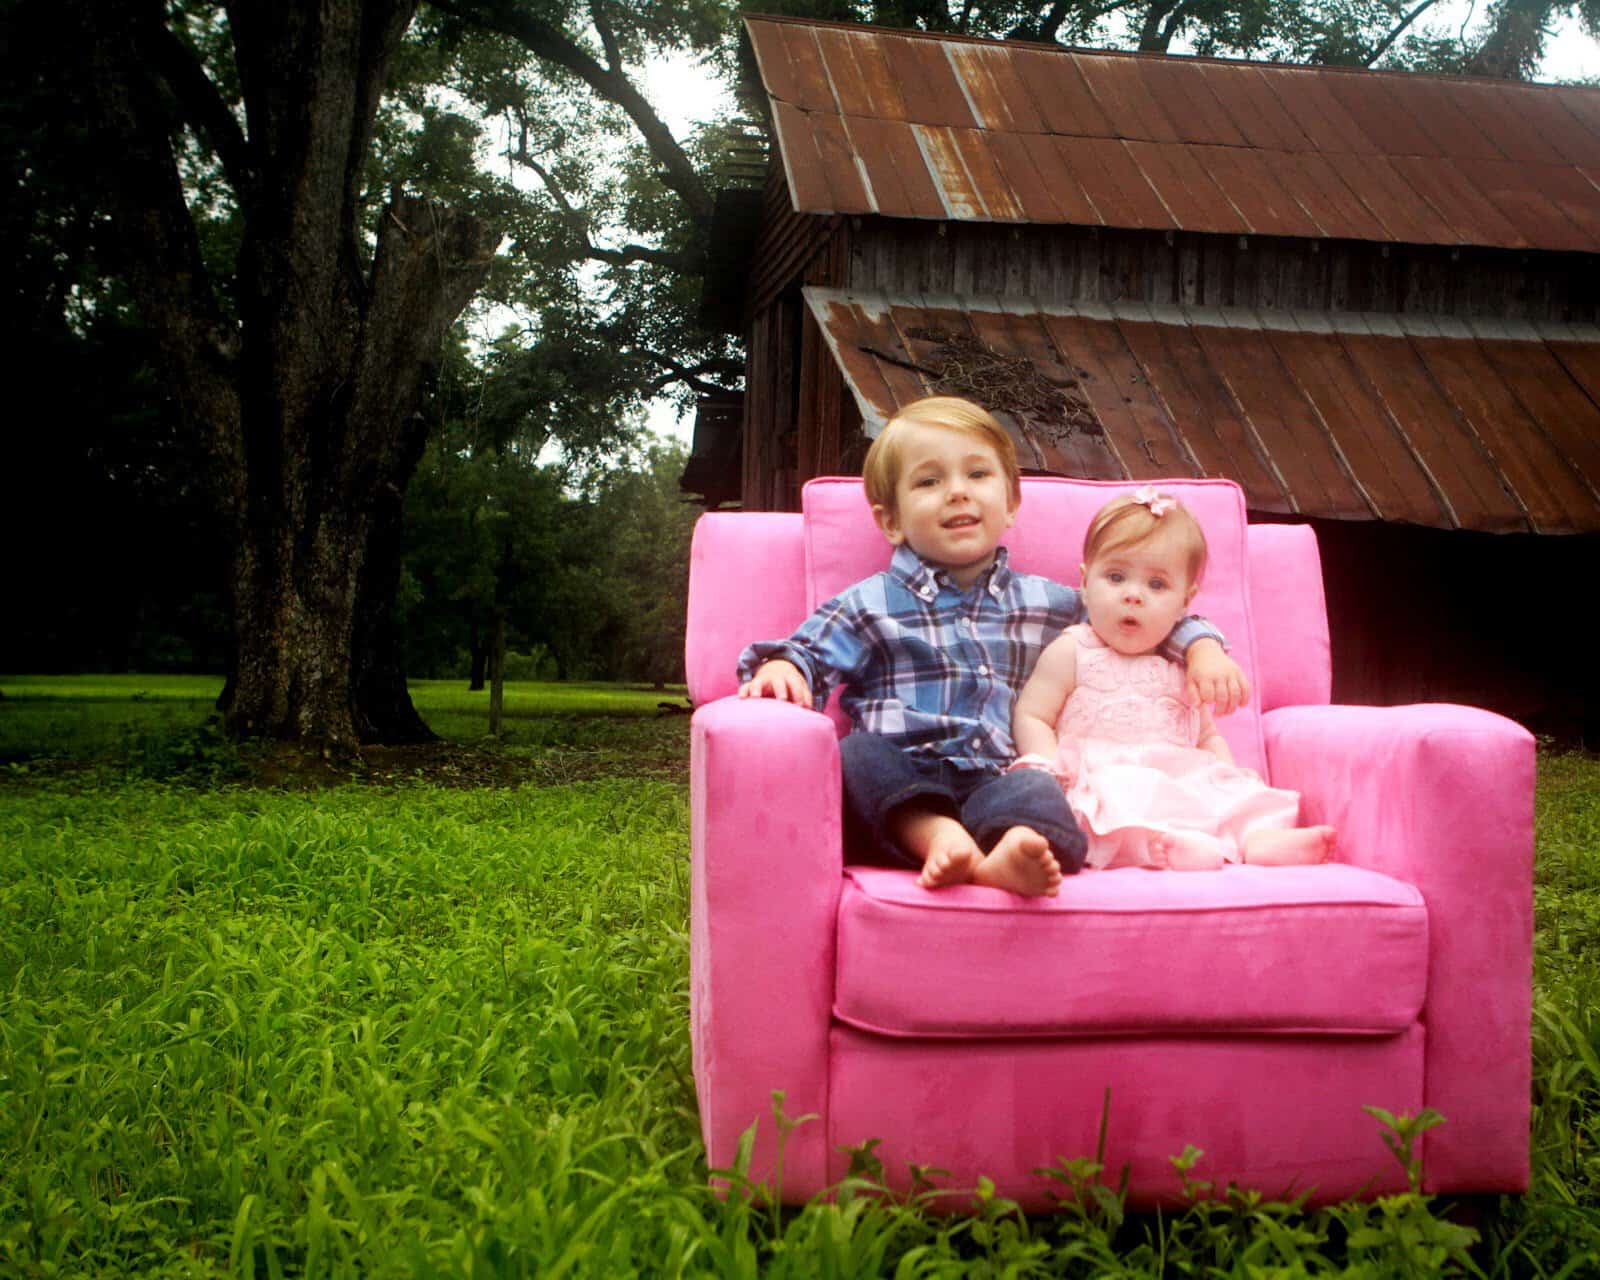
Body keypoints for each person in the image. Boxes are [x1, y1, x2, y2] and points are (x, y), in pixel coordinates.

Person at [736, 397, 1250, 897]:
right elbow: (808, 651)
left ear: (1011, 503)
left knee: (1049, 798)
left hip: (998, 776)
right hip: (905, 770)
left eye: (977, 475)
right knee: (855, 756)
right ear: (890, 520)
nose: (957, 493)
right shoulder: (871, 603)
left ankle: (1007, 854)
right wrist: (786, 666)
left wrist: (1202, 645)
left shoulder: (1046, 601)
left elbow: (1137, 618)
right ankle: (938, 836)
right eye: (929, 481)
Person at [1012, 488, 1337, 871]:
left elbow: (1205, 735)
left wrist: (1227, 777)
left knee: (1234, 797)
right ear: (1085, 582)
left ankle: (1259, 840)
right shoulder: (1072, 651)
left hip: (1177, 775)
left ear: (1186, 601)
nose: (1133, 595)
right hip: (1104, 778)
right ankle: (1180, 849)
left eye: (1156, 585)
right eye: (1116, 577)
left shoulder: (1185, 662)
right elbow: (1033, 714)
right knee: (1118, 806)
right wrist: (1049, 770)